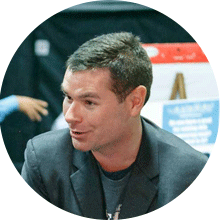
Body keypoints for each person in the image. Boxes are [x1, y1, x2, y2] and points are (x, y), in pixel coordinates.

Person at [21, 32, 207, 219]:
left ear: (135, 102)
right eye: (68, 97)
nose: (70, 116)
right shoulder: (43, 161)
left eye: (89, 102)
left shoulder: (188, 174)